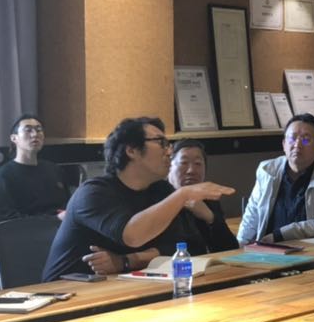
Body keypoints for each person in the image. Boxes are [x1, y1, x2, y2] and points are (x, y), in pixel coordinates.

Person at [42, 117, 233, 281]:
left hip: (128, 288)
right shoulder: (93, 193)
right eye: (161, 143)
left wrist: (127, 261)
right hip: (68, 295)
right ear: (131, 150)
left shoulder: (160, 190)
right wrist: (183, 194)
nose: (169, 152)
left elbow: (190, 248)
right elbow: (132, 235)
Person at [237, 114, 314, 244]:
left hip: (312, 250)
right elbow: (252, 215)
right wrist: (240, 245)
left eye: (306, 140)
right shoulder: (267, 171)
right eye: (292, 138)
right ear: (284, 144)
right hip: (267, 248)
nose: (297, 145)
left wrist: (282, 234)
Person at [0, 113, 70, 222]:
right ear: (14, 138)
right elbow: (8, 220)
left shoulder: (54, 170)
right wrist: (53, 219)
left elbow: (68, 205)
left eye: (39, 130)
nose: (35, 134)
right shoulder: (3, 177)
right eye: (28, 130)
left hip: (63, 227)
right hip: (27, 231)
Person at [166, 140, 240, 254]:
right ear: (169, 167)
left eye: (198, 164)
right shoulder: (159, 199)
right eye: (184, 163)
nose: (191, 170)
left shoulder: (208, 198)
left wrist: (210, 217)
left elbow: (231, 248)